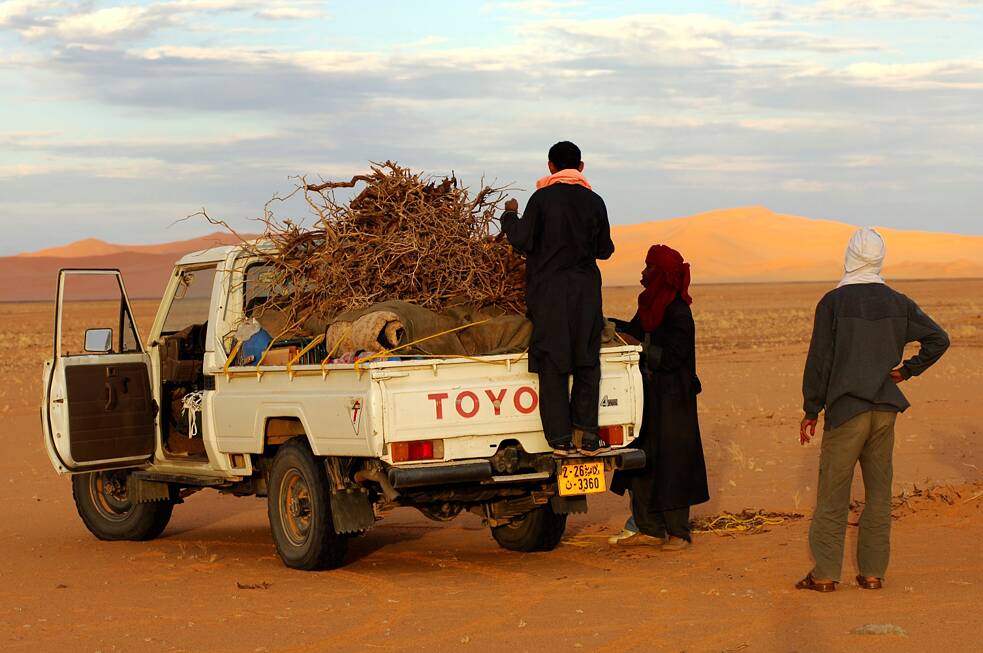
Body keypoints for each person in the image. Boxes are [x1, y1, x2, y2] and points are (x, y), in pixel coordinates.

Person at [796, 227, 949, 592]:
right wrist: (906, 371)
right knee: (879, 495)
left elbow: (820, 361)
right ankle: (872, 574)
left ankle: (825, 575)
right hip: (884, 410)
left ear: (849, 255)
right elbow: (938, 339)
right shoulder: (899, 302)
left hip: (847, 411)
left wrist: (811, 409)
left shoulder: (833, 303)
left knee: (833, 494)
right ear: (879, 258)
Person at [501, 141, 615, 455]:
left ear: (550, 166)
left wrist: (510, 216)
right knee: (587, 360)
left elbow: (522, 239)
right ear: (581, 167)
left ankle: (560, 439)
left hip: (549, 294)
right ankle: (588, 436)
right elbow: (605, 250)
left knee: (553, 361)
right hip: (585, 294)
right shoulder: (595, 201)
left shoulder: (541, 199)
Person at [608, 245, 709, 551]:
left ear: (660, 275)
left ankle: (679, 533)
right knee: (641, 462)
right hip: (648, 400)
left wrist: (638, 346)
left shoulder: (678, 311)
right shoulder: (650, 306)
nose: (642, 273)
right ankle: (649, 528)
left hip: (674, 402)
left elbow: (674, 357)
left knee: (674, 466)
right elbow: (636, 329)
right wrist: (609, 325)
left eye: (647, 268)